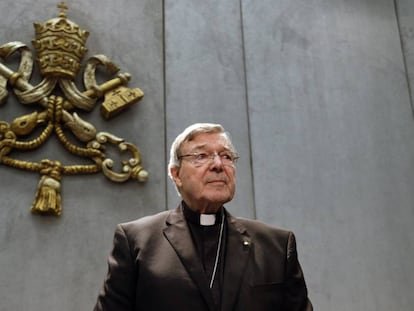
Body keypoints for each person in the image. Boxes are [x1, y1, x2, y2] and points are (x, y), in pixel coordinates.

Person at [93, 122, 313, 311]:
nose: (218, 165)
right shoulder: (137, 241)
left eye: (226, 156)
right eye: (201, 156)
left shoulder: (276, 245)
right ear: (176, 174)